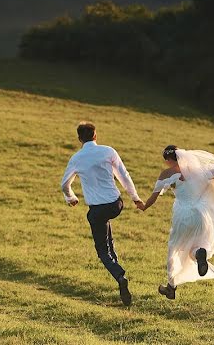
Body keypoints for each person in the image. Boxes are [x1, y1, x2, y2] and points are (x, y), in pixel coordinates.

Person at [138, 145, 214, 300]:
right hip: (201, 215)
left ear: (168, 160)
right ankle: (201, 254)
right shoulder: (199, 170)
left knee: (175, 248)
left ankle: (171, 287)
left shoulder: (167, 174)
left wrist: (143, 206)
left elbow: (154, 197)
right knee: (195, 247)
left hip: (183, 216)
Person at [61, 122, 145, 306]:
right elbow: (124, 175)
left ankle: (120, 276)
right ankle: (117, 268)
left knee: (102, 251)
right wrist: (135, 198)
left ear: (79, 139)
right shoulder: (108, 151)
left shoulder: (77, 158)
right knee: (107, 236)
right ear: (95, 136)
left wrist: (71, 198)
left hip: (97, 210)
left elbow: (64, 184)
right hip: (116, 204)